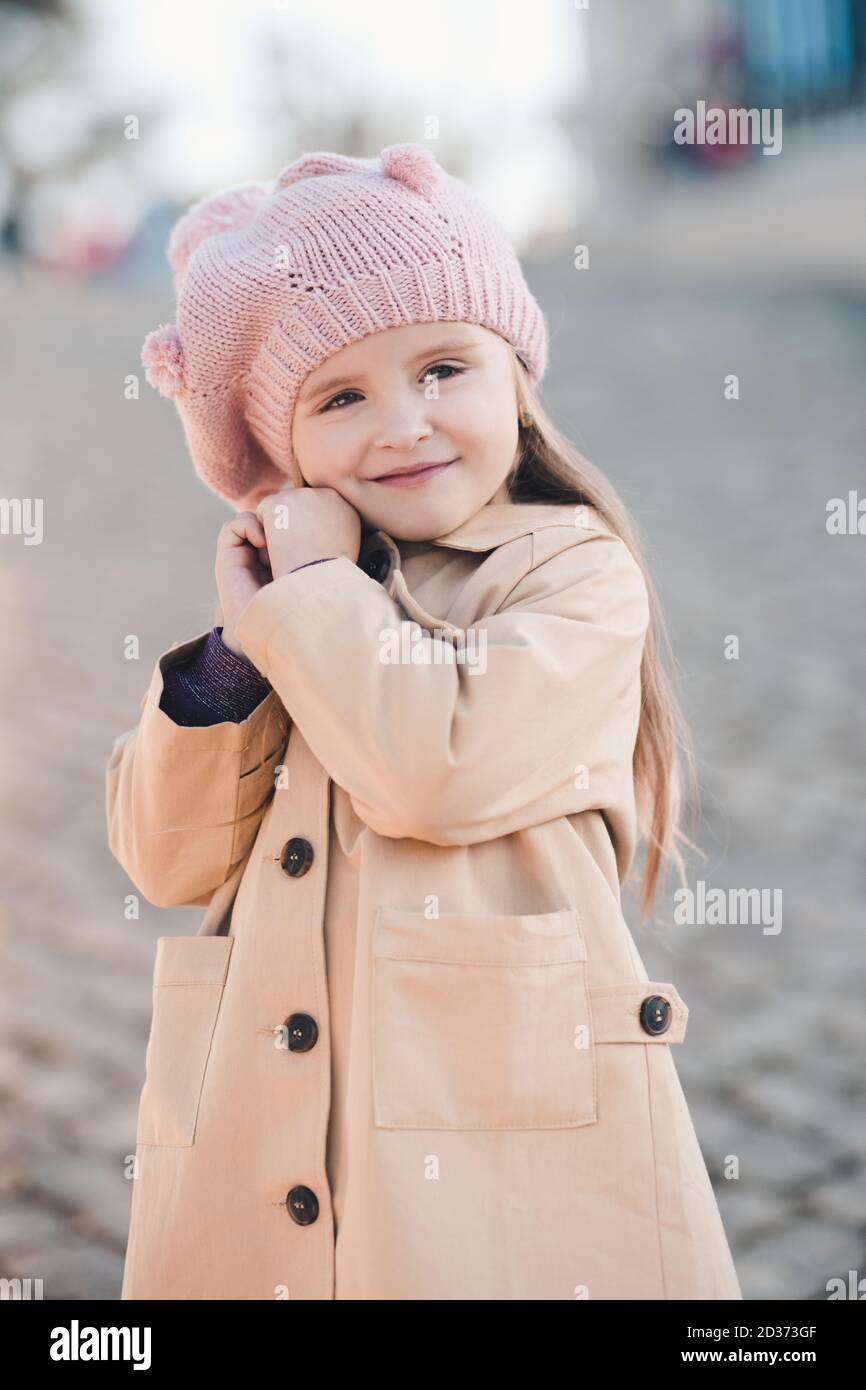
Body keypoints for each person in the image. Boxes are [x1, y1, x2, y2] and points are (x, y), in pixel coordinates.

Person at [106, 142, 742, 1300]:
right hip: (263, 1152)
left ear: (514, 376)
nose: (401, 423)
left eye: (441, 368)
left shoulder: (568, 575)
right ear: (276, 451)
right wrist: (229, 664)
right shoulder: (297, 605)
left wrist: (310, 601)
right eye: (340, 396)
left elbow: (434, 768)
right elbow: (164, 857)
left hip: (497, 1186)